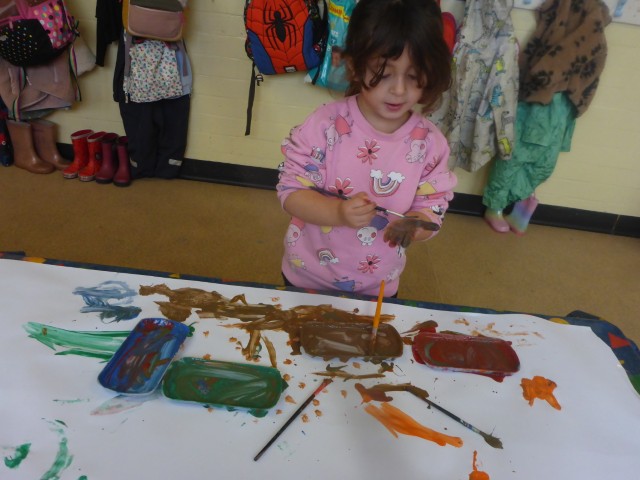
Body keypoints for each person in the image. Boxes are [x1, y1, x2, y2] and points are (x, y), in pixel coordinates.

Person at [276, 0, 457, 298]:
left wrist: (417, 226)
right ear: (355, 67)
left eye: (413, 76)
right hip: (306, 276)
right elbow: (290, 192)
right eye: (383, 73)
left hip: (378, 285)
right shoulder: (325, 125)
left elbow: (432, 207)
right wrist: (338, 212)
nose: (399, 90)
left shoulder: (430, 144)